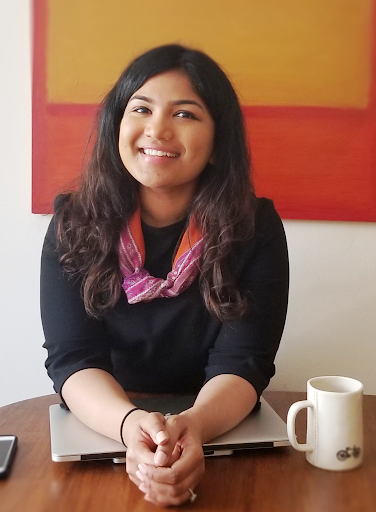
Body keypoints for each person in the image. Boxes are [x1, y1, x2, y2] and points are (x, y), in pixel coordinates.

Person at [41, 44, 289, 507]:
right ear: (117, 125)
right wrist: (131, 424)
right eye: (141, 108)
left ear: (219, 143)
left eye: (186, 114)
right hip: (107, 420)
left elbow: (245, 361)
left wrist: (192, 426)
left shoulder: (254, 227)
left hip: (217, 418)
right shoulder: (74, 224)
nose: (157, 128)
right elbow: (73, 359)